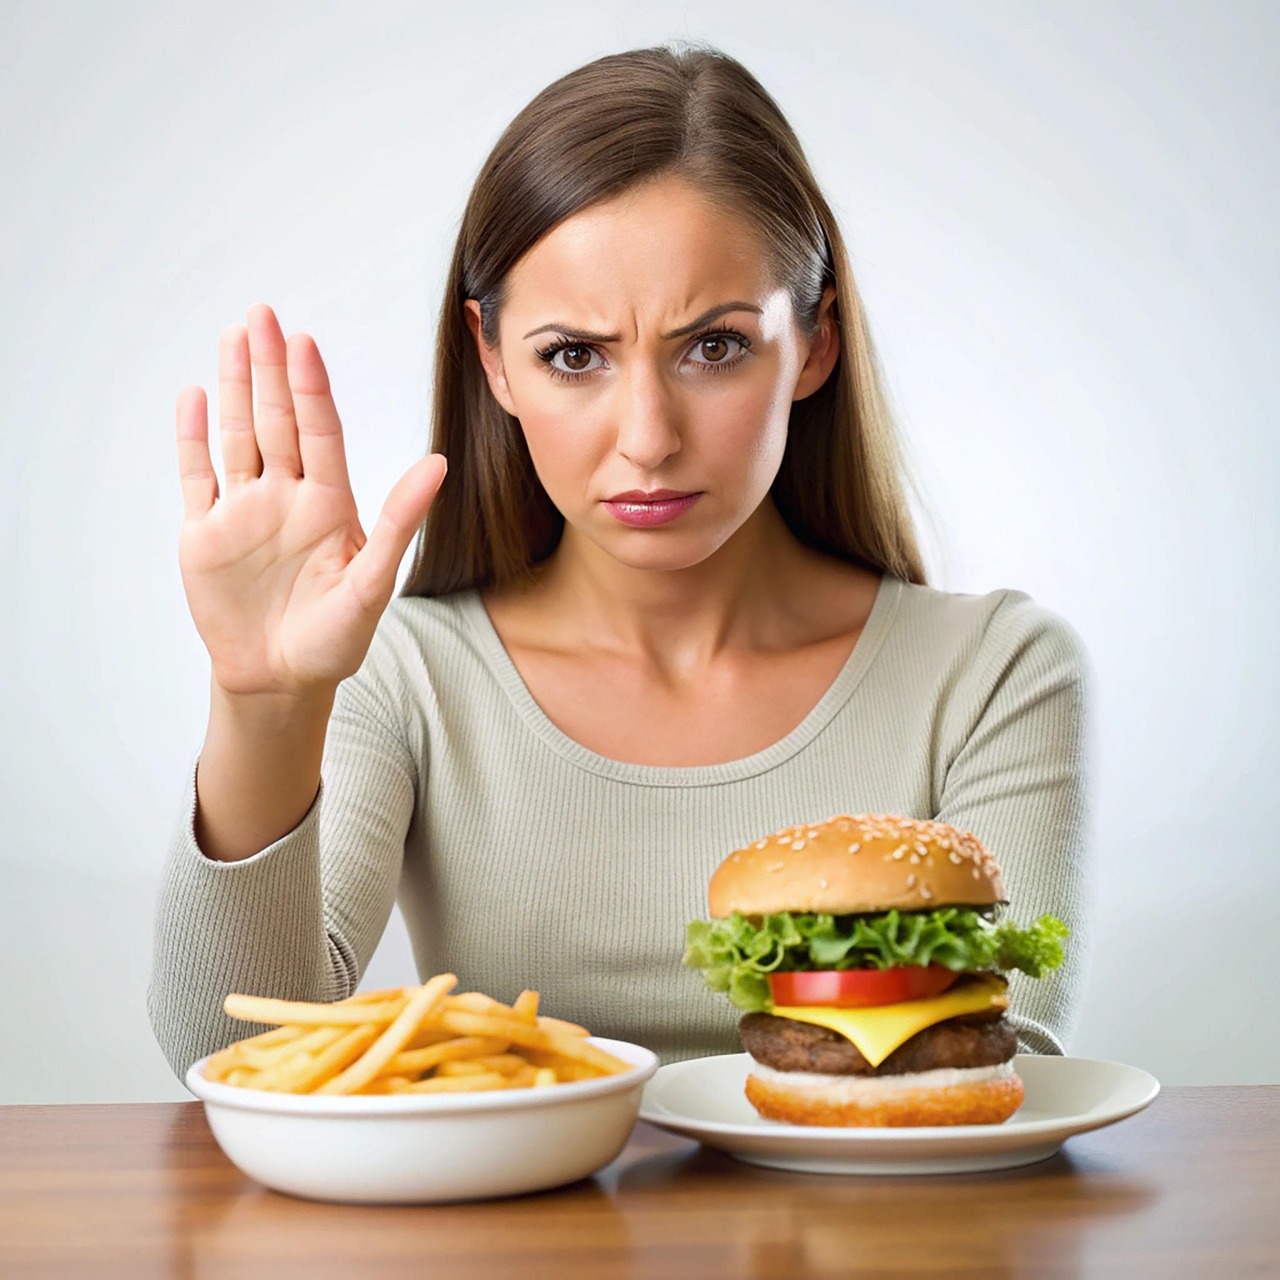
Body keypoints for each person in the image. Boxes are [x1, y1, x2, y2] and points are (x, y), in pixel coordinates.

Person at [148, 41, 1091, 1078]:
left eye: (714, 346)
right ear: (493, 359)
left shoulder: (994, 669)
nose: (646, 435)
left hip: (865, 1243)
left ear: (816, 342)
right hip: (517, 1243)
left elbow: (1006, 1065)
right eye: (573, 355)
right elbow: (232, 1052)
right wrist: (262, 701)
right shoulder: (408, 671)